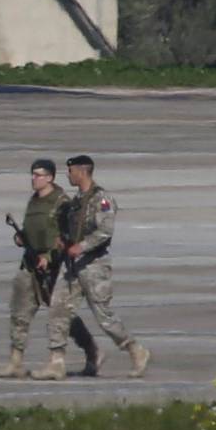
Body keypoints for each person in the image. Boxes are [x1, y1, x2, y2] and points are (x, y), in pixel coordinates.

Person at [32, 155, 150, 382]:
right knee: (58, 308)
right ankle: (56, 361)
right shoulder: (76, 202)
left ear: (82, 171)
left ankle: (135, 350)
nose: (68, 175)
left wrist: (82, 246)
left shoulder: (101, 199)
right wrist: (63, 243)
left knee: (104, 316)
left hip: (94, 265)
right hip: (73, 267)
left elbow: (105, 231)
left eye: (71, 171)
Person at [0, 158, 96, 380]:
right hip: (30, 263)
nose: (34, 179)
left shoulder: (62, 203)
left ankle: (91, 350)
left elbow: (67, 236)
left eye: (38, 175)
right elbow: (34, 230)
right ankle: (16, 361)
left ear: (49, 177)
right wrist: (21, 238)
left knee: (61, 314)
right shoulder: (34, 201)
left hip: (54, 266)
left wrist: (49, 257)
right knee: (20, 311)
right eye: (32, 174)